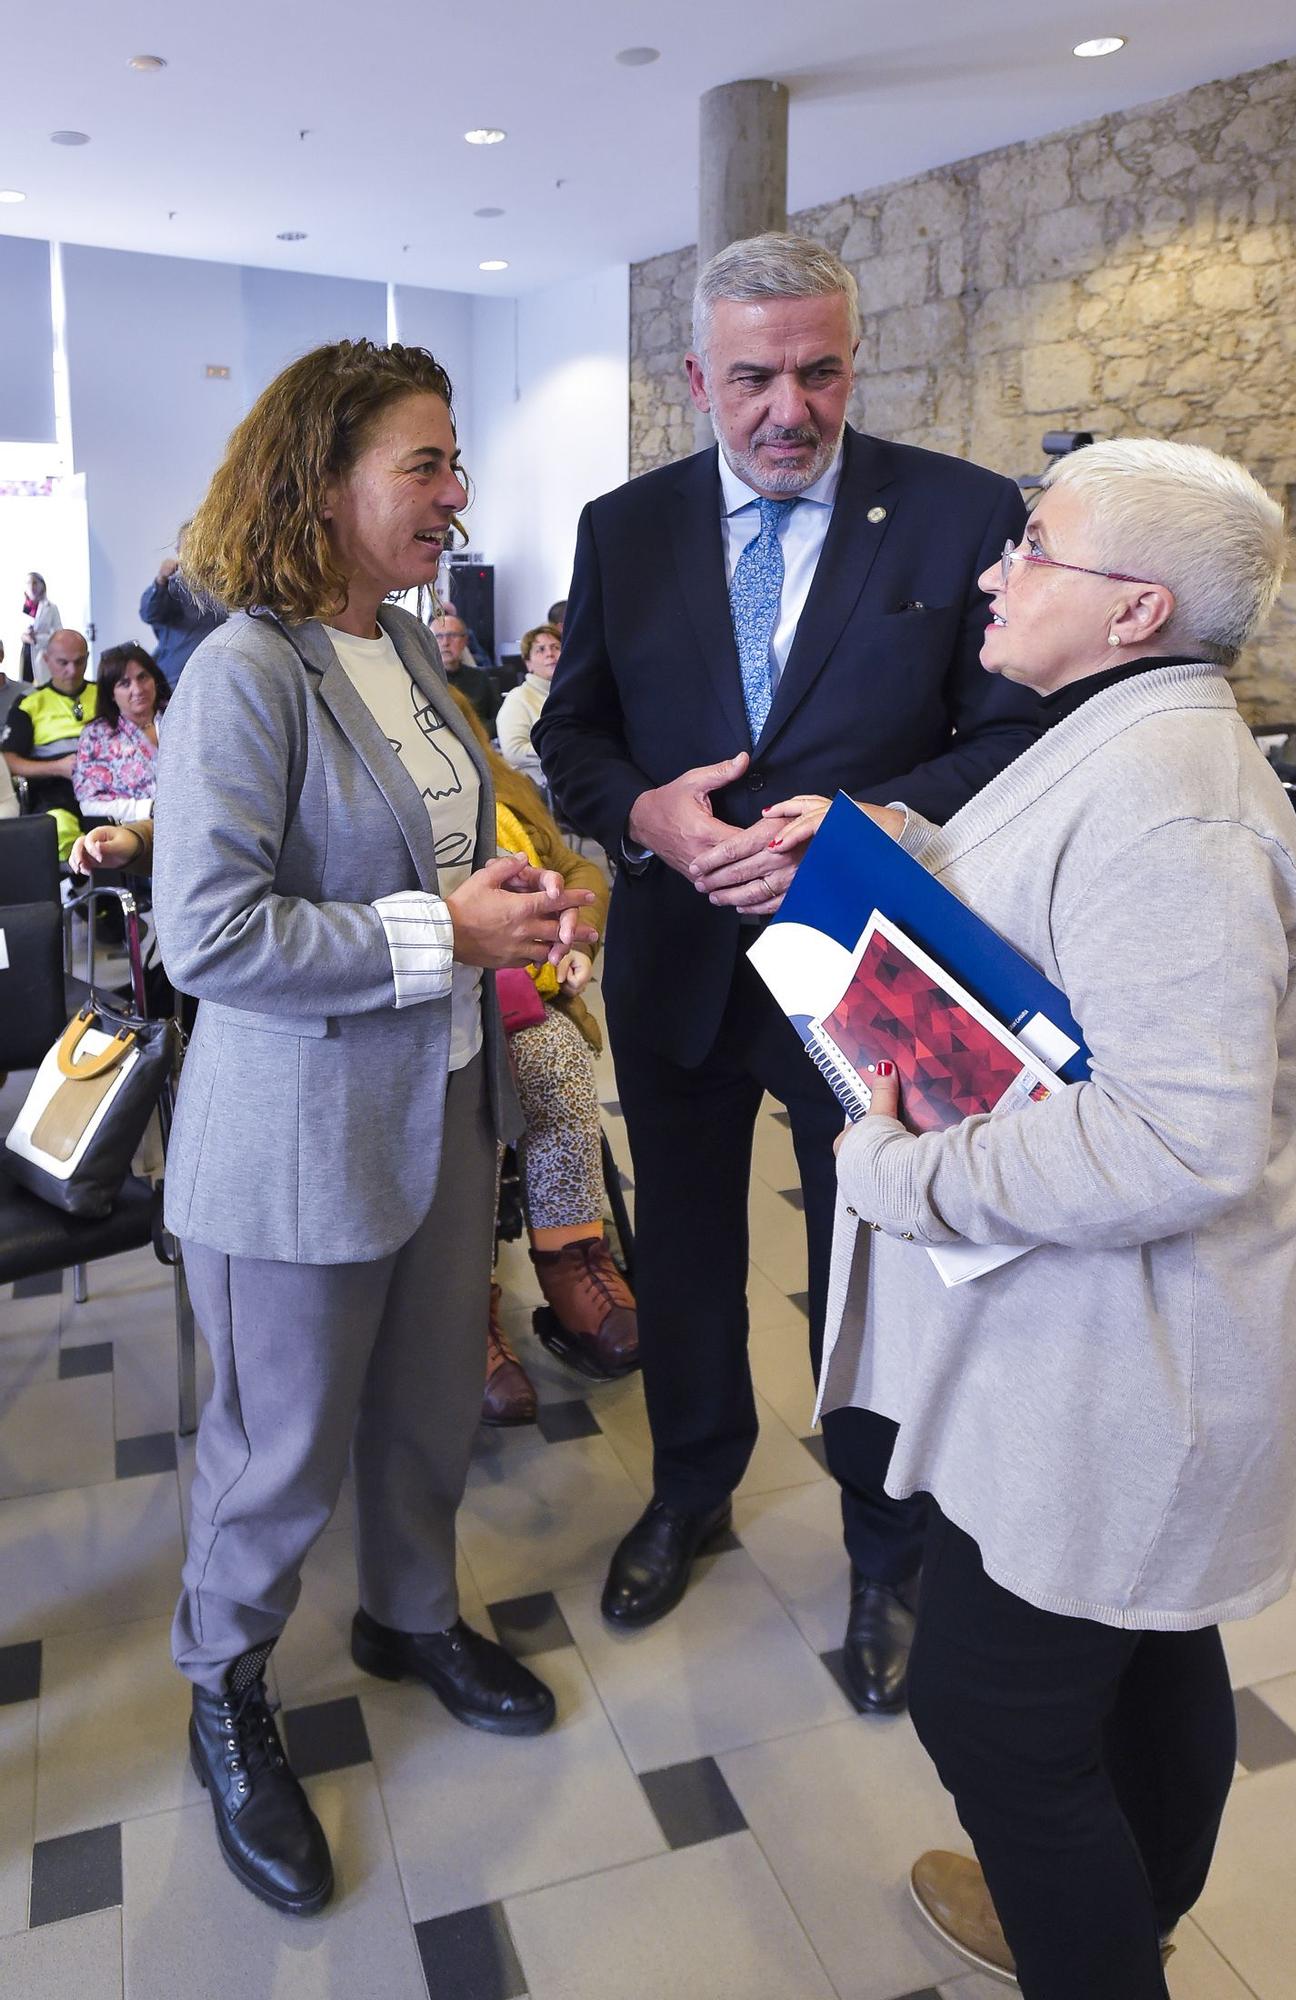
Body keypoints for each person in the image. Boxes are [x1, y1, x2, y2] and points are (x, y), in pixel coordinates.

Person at [784, 439, 1296, 2000]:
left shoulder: (1173, 801)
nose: (991, 571)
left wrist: (899, 1175)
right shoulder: (1114, 731)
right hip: (1088, 1346)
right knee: (1145, 1655)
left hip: (1129, 1368)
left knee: (994, 1721)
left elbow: (1180, 1133)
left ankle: (1087, 1943)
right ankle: (1115, 1913)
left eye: (1033, 547)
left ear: (1131, 608)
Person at [533, 231, 1040, 1708]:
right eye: (750, 375)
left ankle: (887, 1547)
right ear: (697, 376)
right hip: (678, 962)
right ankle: (689, 1487)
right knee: (685, 1252)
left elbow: (1010, 735)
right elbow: (573, 735)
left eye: (816, 370)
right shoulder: (622, 528)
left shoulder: (955, 514)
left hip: (872, 979)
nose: (785, 407)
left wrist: (874, 822)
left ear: (850, 360)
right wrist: (647, 814)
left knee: (867, 1263)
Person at [152, 337, 598, 1918]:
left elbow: (461, 853)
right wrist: (444, 937)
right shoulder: (244, 672)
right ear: (322, 478)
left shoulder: (411, 657)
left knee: (421, 1412)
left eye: (453, 463)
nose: (455, 495)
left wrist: (528, 906)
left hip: (439, 1108)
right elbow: (208, 937)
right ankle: (225, 1688)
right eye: (426, 464)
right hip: (287, 1145)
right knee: (273, 1459)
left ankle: (407, 1614)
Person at [447, 694, 637, 1425]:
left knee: (551, 1052)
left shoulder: (507, 790)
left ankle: (573, 1258)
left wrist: (577, 934)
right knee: (475, 1089)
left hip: (524, 1003)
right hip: (429, 1008)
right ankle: (465, 1307)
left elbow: (582, 878)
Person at [0, 627, 93, 831]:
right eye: (63, 663)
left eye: (79, 662)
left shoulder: (105, 694)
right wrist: (58, 767)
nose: (72, 671)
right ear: (46, 660)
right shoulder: (29, 702)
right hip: (54, 791)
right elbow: (9, 760)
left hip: (106, 787)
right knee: (59, 831)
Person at [72, 642, 170, 822]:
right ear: (111, 693)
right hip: (134, 834)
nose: (138, 689)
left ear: (154, 679)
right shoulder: (96, 735)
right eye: (125, 684)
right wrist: (148, 808)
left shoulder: (178, 715)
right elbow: (89, 804)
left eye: (143, 677)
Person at [139, 550, 226, 688]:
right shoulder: (172, 586)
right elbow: (149, 614)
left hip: (214, 676)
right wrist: (161, 580)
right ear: (179, 553)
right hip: (176, 681)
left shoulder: (221, 585)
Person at [497, 623, 560, 782]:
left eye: (556, 647)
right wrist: (563, 751)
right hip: (540, 787)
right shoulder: (518, 698)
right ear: (528, 664)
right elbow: (514, 750)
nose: (550, 654)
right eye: (541, 650)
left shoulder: (578, 693)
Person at [430, 607, 500, 732]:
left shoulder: (480, 678)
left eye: (452, 635)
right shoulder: (422, 681)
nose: (445, 642)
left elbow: (499, 720)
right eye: (438, 636)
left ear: (464, 641)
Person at [22, 572, 61, 683]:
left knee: (43, 687)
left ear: (42, 585)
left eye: (35, 583)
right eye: (29, 583)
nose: (31, 586)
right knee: (26, 690)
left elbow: (58, 635)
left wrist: (36, 639)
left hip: (42, 655)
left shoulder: (51, 608)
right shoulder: (24, 609)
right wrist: (23, 636)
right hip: (26, 655)